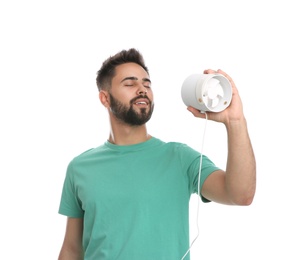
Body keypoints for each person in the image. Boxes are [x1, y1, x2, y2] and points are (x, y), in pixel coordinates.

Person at [57, 48, 256, 260]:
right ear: (105, 98)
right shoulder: (80, 167)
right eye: (130, 84)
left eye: (147, 84)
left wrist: (235, 122)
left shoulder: (180, 158)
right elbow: (71, 249)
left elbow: (240, 195)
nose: (142, 90)